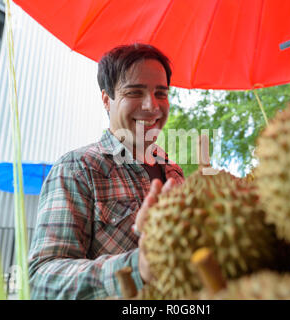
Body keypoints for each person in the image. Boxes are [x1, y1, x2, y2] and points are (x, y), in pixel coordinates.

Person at [28, 43, 185, 299]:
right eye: (134, 92)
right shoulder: (78, 169)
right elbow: (41, 278)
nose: (152, 105)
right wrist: (138, 267)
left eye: (161, 93)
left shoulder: (174, 172)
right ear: (106, 100)